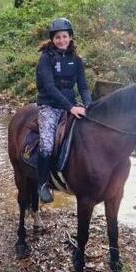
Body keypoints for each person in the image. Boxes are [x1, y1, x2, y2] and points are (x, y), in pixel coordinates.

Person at [35, 17, 92, 203]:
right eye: (58, 37)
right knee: (46, 144)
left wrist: (89, 105)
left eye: (65, 36)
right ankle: (42, 183)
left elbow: (83, 87)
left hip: (71, 106)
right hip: (50, 106)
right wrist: (71, 107)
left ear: (70, 37)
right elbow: (50, 88)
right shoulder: (46, 59)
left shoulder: (76, 60)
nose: (61, 40)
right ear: (53, 39)